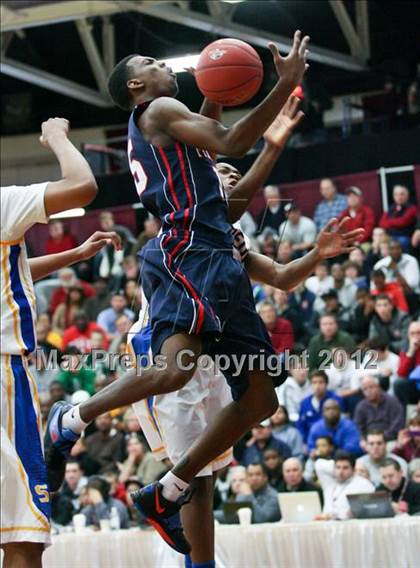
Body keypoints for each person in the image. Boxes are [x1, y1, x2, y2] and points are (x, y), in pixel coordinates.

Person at [43, 35, 350, 556]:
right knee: (176, 370)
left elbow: (230, 189)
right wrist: (283, 85)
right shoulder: (159, 108)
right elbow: (229, 144)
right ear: (137, 86)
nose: (163, 63)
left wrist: (231, 109)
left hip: (208, 257)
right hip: (186, 252)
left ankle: (166, 490)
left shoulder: (186, 149)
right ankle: (72, 418)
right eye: (150, 62)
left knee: (260, 398)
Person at [0, 117, 111, 568]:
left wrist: (75, 254)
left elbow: (13, 272)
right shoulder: (4, 202)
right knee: (21, 532)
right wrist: (57, 137)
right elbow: (82, 186)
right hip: (3, 375)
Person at [315, 451, 375, 520]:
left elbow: (370, 509)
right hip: (326, 525)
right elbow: (318, 464)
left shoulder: (363, 484)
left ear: (353, 469)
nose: (341, 472)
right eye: (338, 467)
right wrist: (335, 467)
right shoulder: (329, 482)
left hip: (350, 526)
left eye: (345, 468)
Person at [354, 376, 405, 441]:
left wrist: (382, 438)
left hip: (389, 438)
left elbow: (398, 424)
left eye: (371, 387)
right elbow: (358, 427)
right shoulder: (361, 406)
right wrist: (365, 440)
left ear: (378, 387)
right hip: (369, 440)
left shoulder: (392, 401)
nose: (369, 391)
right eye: (365, 389)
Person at [297, 371, 342, 443]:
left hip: (331, 442)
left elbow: (341, 423)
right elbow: (301, 426)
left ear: (326, 384)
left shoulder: (335, 400)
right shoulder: (304, 403)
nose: (317, 386)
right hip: (310, 442)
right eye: (314, 383)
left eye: (321, 382)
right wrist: (306, 442)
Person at [379, 185, 417, 250]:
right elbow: (381, 223)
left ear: (407, 196)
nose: (399, 197)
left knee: (400, 242)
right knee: (379, 243)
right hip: (389, 235)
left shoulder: (412, 208)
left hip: (404, 236)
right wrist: (394, 222)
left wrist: (389, 222)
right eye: (396, 194)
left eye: (402, 194)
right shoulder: (390, 208)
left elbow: (403, 222)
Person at [394, 321, 420, 407]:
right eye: (412, 334)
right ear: (408, 336)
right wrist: (411, 352)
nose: (416, 336)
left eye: (418, 333)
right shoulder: (406, 348)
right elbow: (401, 373)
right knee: (399, 384)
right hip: (415, 386)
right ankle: (404, 418)